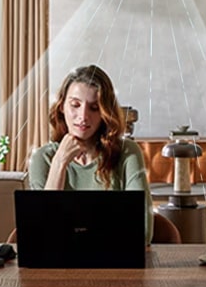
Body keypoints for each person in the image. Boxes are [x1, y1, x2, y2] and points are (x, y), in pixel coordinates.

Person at [28, 64, 154, 245]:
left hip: (115, 261)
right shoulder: (43, 158)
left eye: (94, 108)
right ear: (62, 106)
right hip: (58, 262)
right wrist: (59, 163)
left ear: (104, 113)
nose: (83, 116)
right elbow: (42, 235)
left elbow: (143, 232)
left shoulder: (128, 153)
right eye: (75, 105)